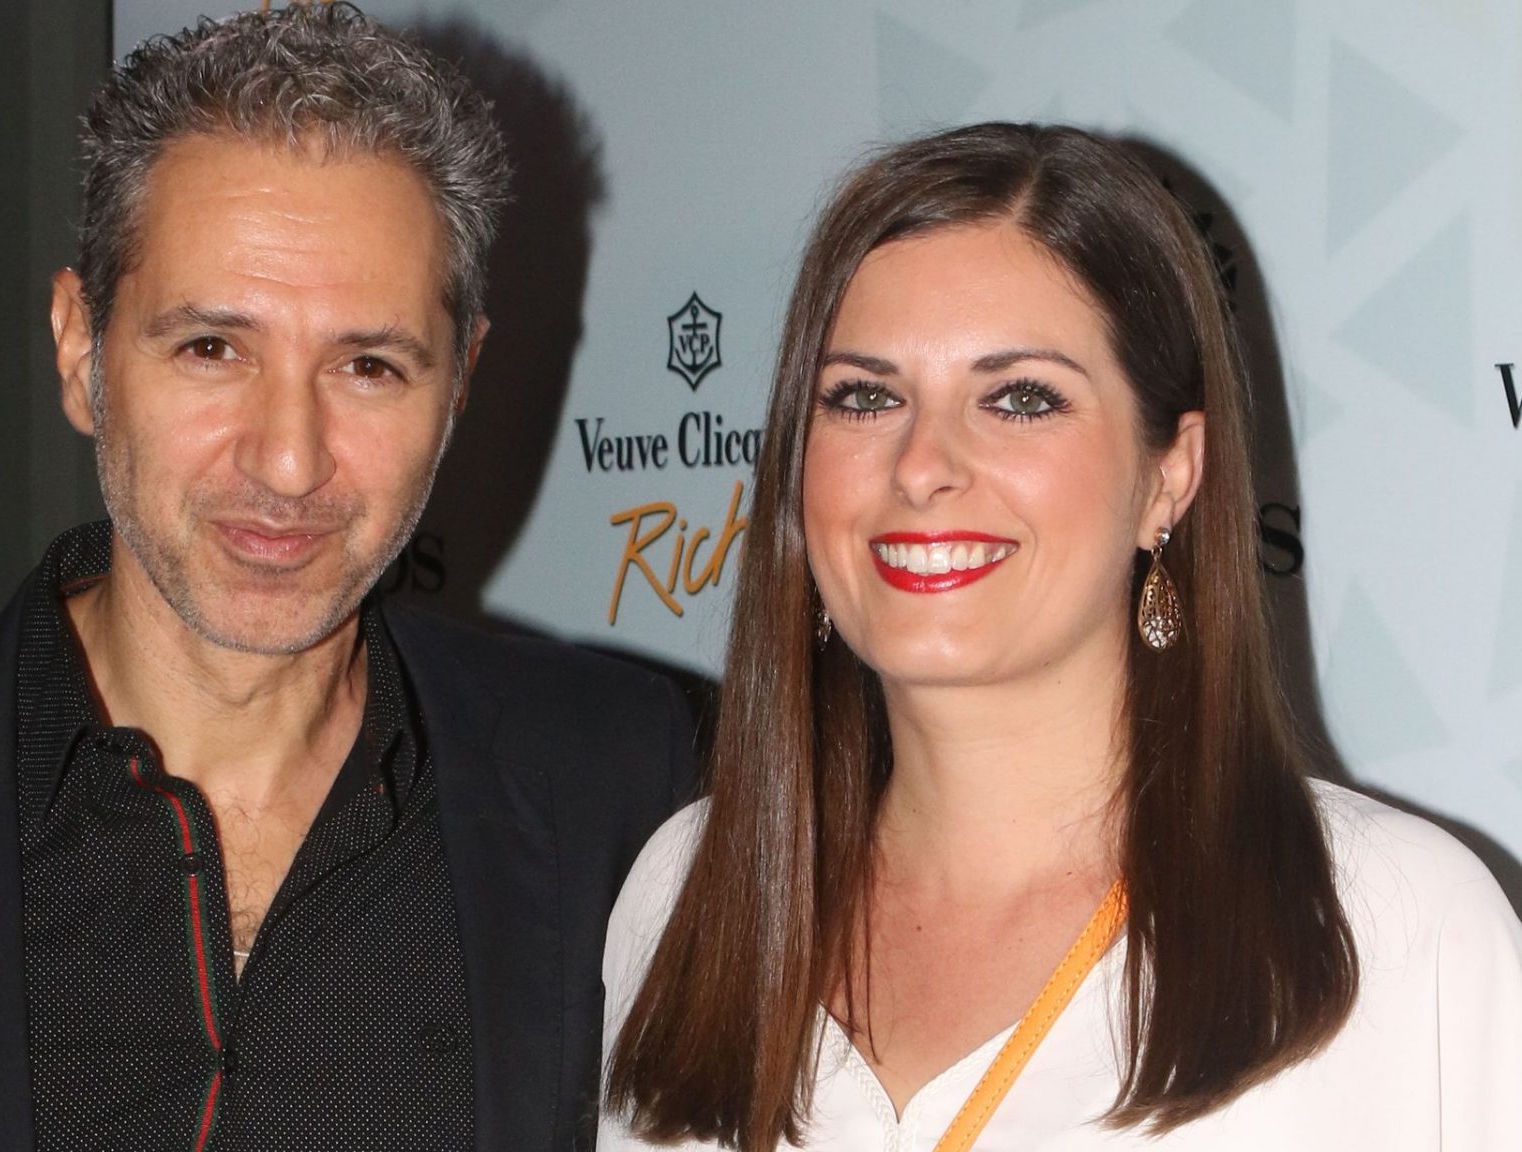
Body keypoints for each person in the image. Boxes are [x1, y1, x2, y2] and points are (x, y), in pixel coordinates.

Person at [0, 7, 695, 1150]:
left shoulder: (623, 787)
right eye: (211, 349)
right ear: (81, 347)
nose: (288, 460)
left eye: (368, 366)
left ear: (458, 383)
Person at [598, 123, 1522, 1151]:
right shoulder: (684, 897)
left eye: (1020, 399)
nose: (921, 465)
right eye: (864, 397)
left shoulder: (1395, 927)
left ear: (1169, 476)